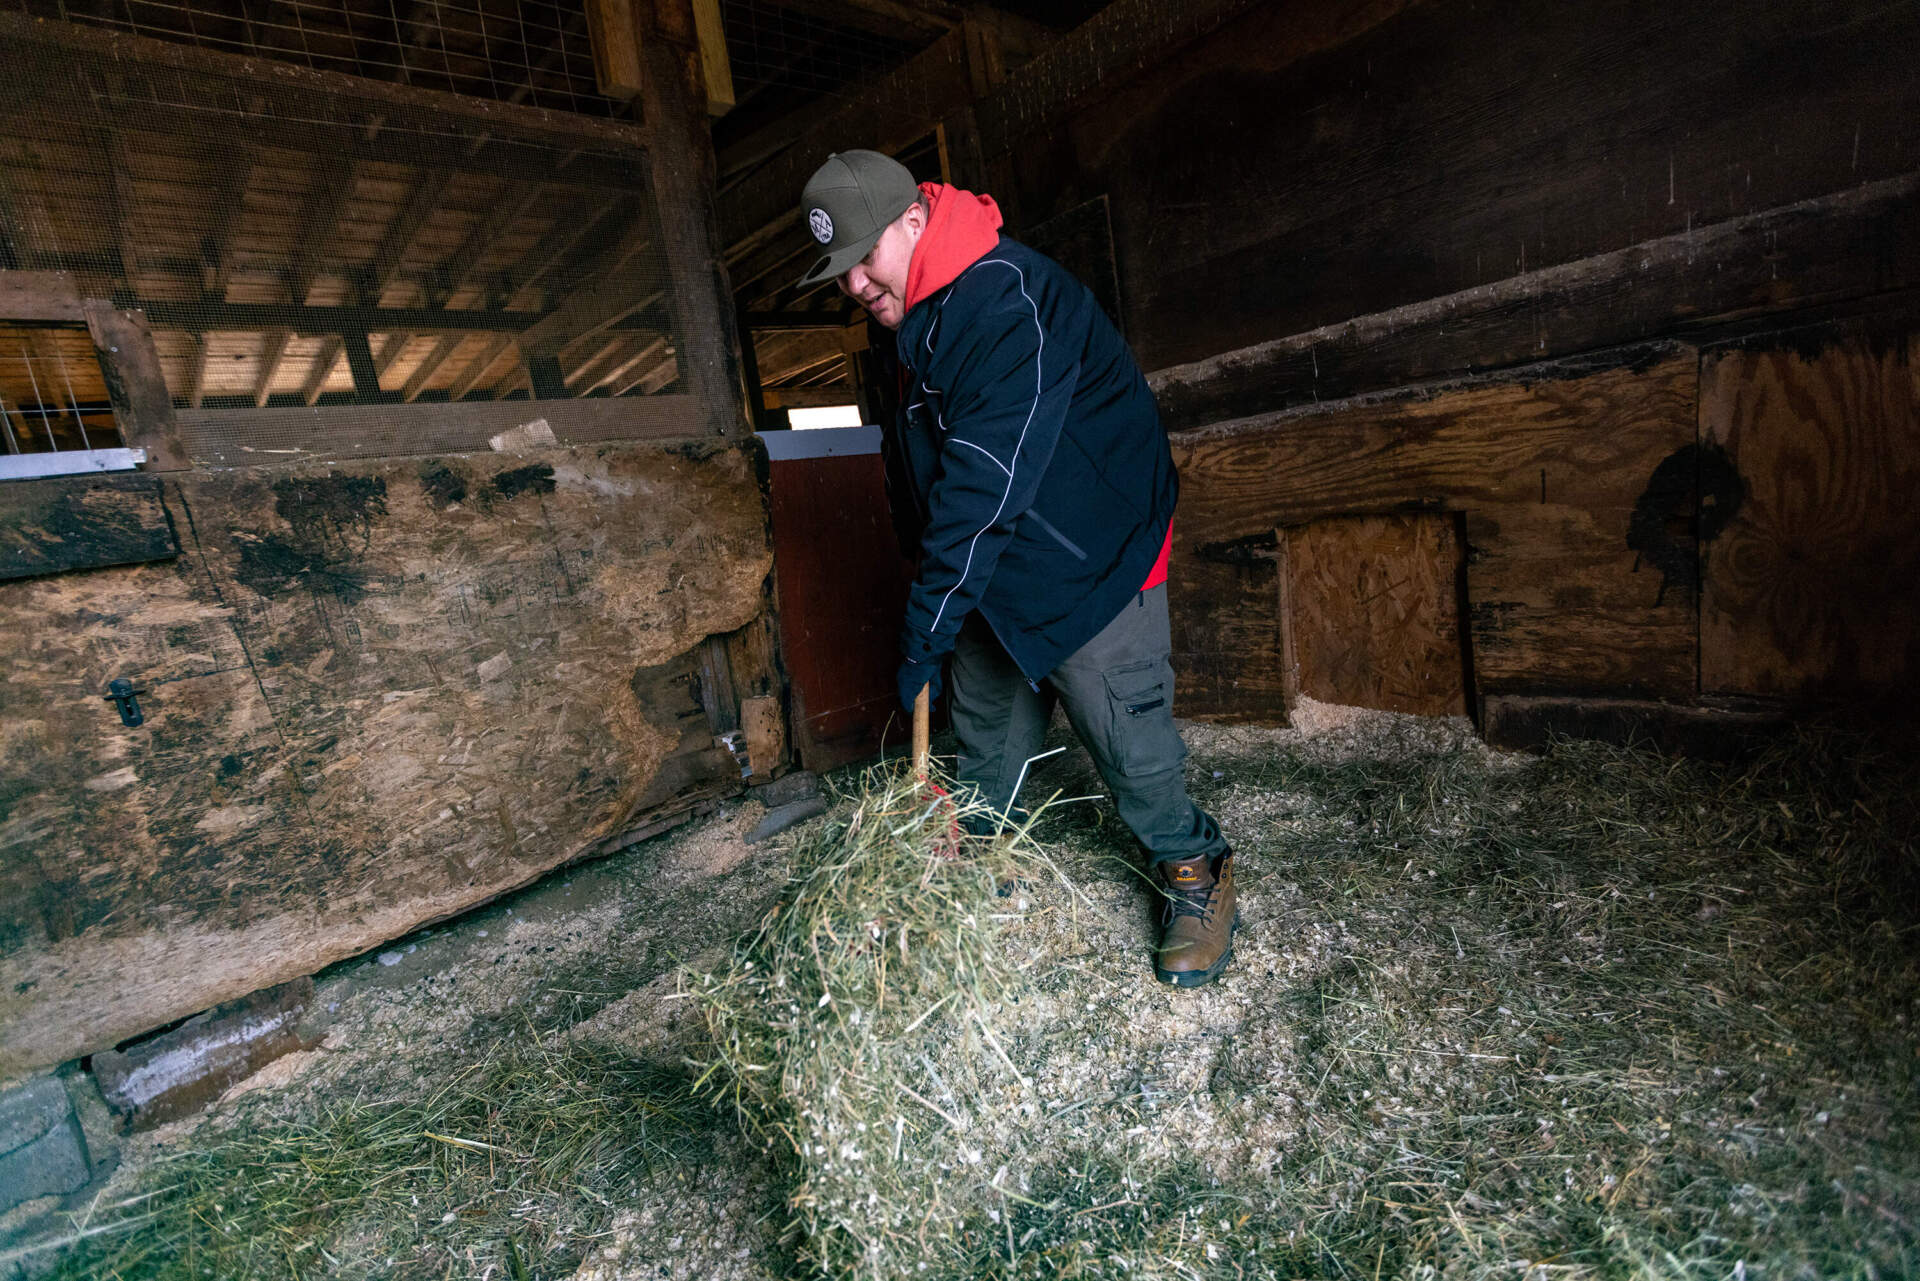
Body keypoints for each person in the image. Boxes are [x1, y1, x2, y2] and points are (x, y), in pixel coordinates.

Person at [795, 150, 1237, 988]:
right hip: (996, 559)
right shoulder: (913, 312)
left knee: (1127, 739)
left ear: (913, 221)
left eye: (862, 260)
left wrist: (925, 624)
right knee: (986, 739)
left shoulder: (1006, 300)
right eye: (840, 271)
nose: (853, 285)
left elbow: (984, 485)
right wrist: (933, 594)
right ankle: (979, 876)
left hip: (1090, 551)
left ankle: (1194, 868)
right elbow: (921, 469)